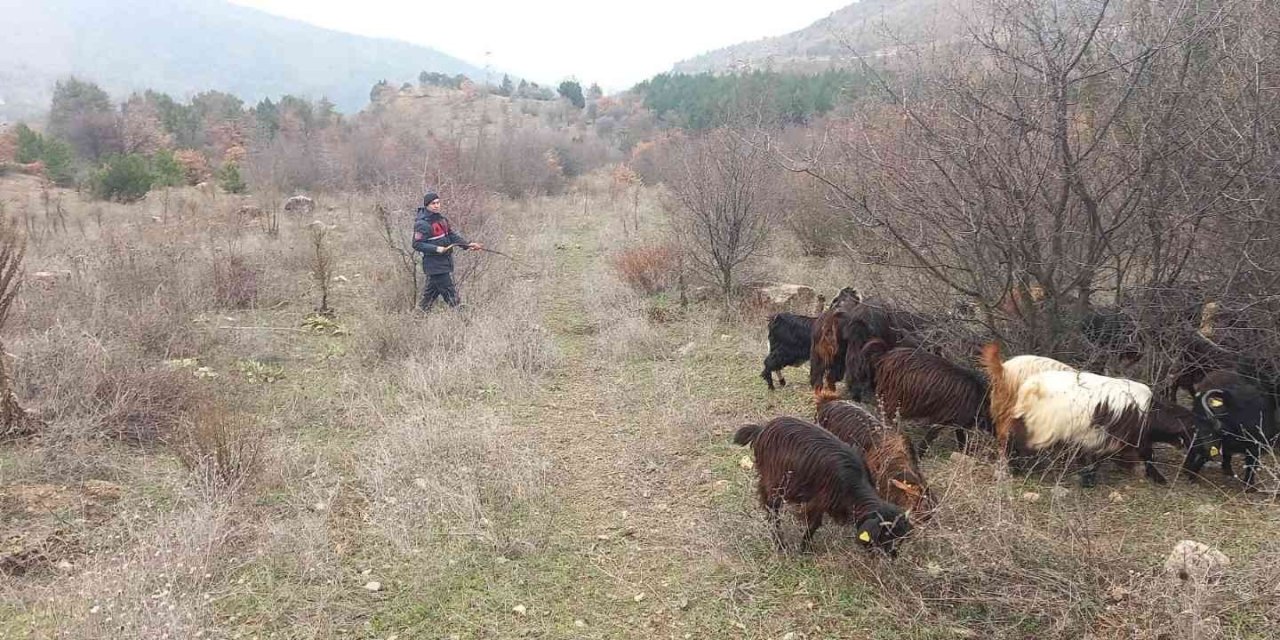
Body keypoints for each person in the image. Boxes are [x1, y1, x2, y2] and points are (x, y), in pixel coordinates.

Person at [411, 191, 482, 311]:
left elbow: (451, 235)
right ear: (427, 205)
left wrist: (467, 245)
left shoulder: (442, 219)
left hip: (444, 262)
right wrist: (436, 249)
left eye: (438, 203)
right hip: (434, 265)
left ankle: (418, 316)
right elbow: (416, 244)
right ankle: (463, 317)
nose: (436, 205)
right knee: (451, 295)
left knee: (428, 297)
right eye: (433, 203)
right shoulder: (422, 224)